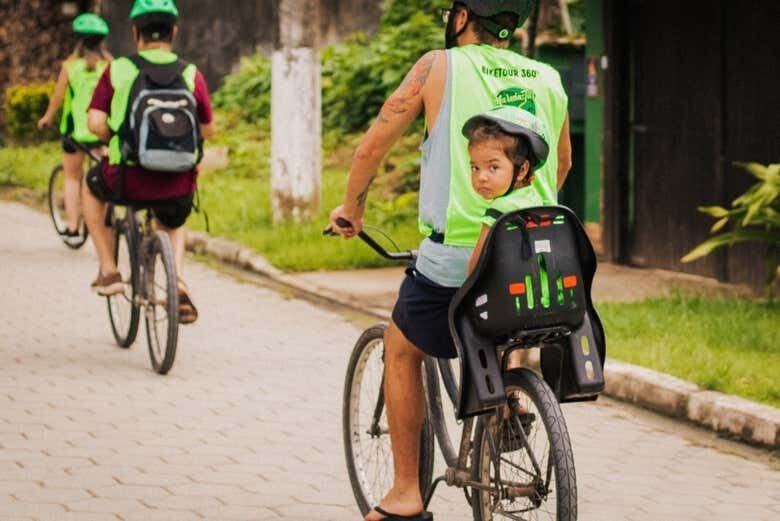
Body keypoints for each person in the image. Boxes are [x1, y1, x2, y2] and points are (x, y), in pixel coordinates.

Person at [327, 1, 570, 519]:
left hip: (457, 258)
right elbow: (562, 164)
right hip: (539, 254)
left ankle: (405, 495)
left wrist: (352, 209)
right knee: (509, 312)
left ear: (462, 17)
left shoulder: (438, 66)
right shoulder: (548, 77)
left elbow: (371, 147)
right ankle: (507, 400)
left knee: (401, 346)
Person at [82, 0, 215, 325]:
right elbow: (208, 129)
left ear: (134, 32)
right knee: (173, 222)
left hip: (127, 179)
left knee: (90, 186)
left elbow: (94, 123)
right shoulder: (190, 72)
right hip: (177, 182)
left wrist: (119, 131)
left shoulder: (119, 69)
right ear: (174, 31)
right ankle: (178, 284)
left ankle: (109, 271)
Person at [38, 13, 112, 246]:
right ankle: (106, 221)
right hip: (102, 130)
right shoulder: (110, 65)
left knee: (71, 177)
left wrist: (47, 118)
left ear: (78, 41)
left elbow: (58, 97)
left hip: (75, 132)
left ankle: (72, 227)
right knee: (105, 175)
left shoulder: (70, 66)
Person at [463, 104, 550, 274]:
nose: (481, 177)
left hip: (506, 296)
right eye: (475, 168)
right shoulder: (537, 200)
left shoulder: (499, 210)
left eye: (493, 167)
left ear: (522, 169)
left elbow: (476, 267)